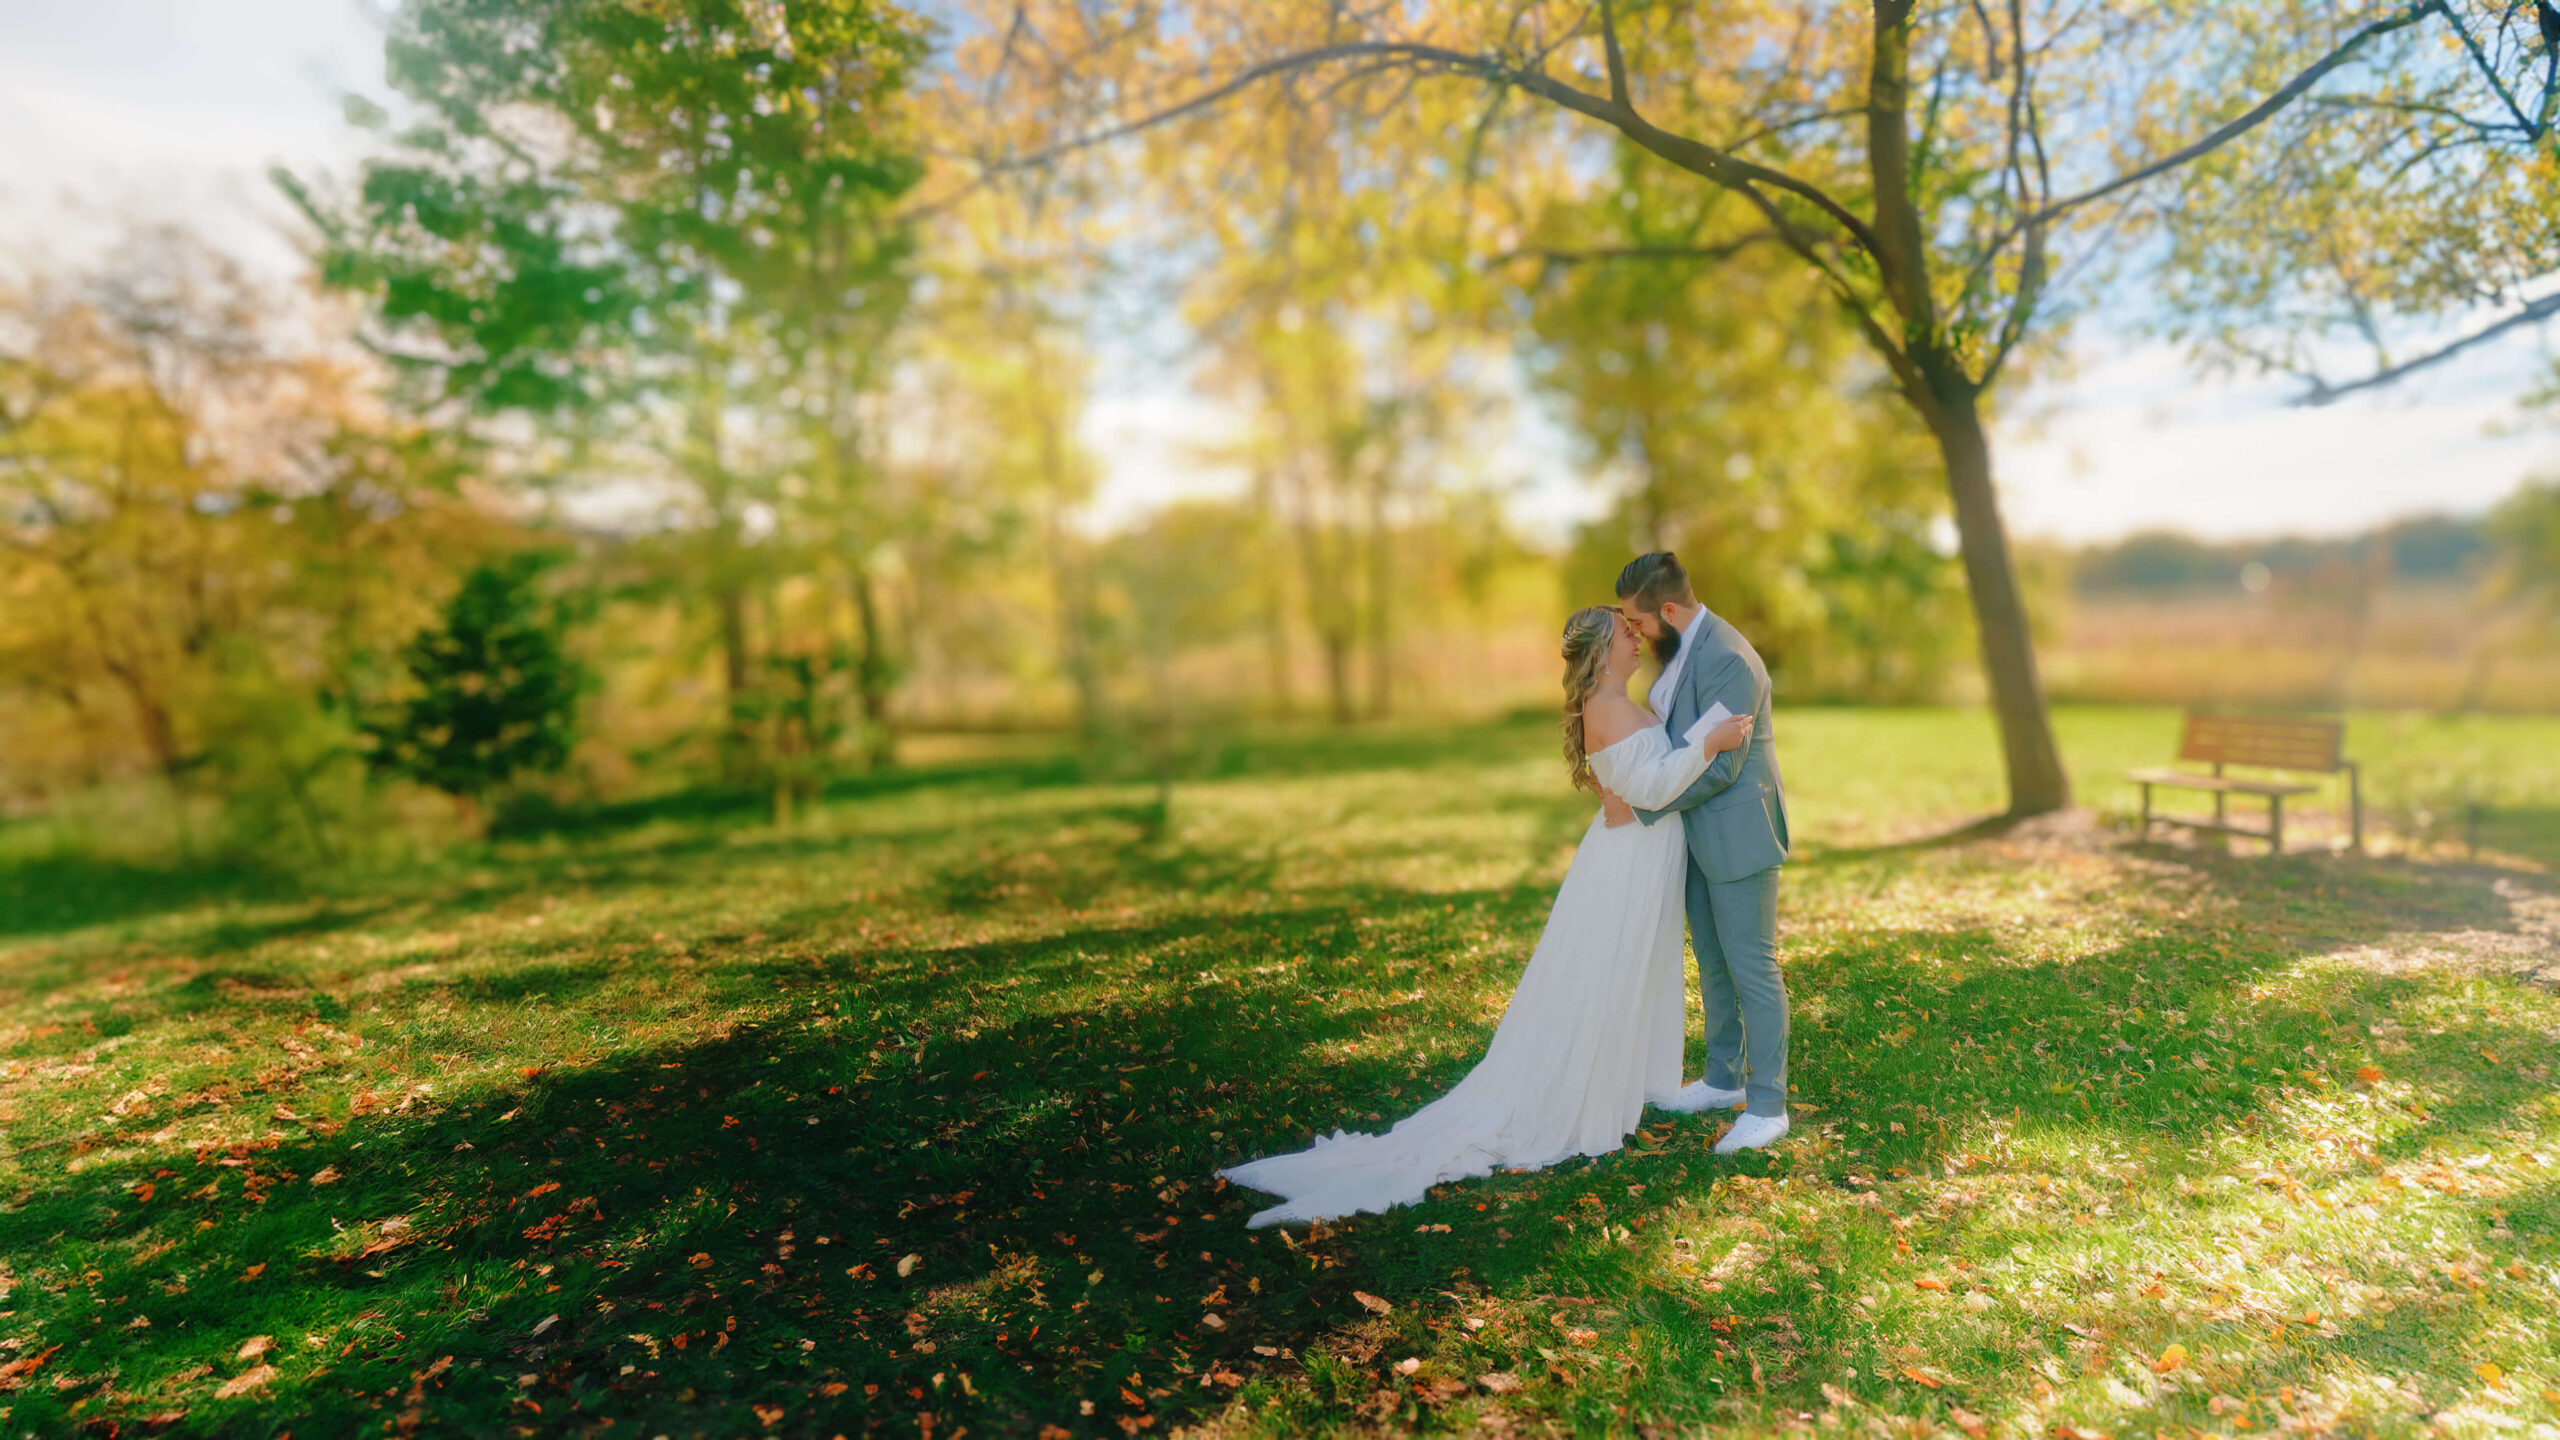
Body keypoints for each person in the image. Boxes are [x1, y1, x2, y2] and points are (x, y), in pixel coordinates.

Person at [1217, 604, 1755, 1228]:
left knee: (1630, 973)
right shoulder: (1603, 709)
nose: (1637, 642)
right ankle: (1574, 1094)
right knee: (1599, 973)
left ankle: (1613, 1079)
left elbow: (1652, 775)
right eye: (1626, 636)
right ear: (1601, 654)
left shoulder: (1631, 702)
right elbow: (1654, 790)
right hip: (1625, 862)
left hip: (1643, 854)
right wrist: (1709, 744)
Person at [1614, 551, 1792, 1154]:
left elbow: (1720, 766)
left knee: (1752, 968)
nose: (1634, 633)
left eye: (1638, 623)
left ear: (1668, 609)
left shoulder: (1726, 658)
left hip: (1737, 831)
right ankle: (1723, 1078)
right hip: (1695, 833)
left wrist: (1645, 806)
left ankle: (1767, 1106)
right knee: (1713, 963)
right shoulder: (1683, 650)